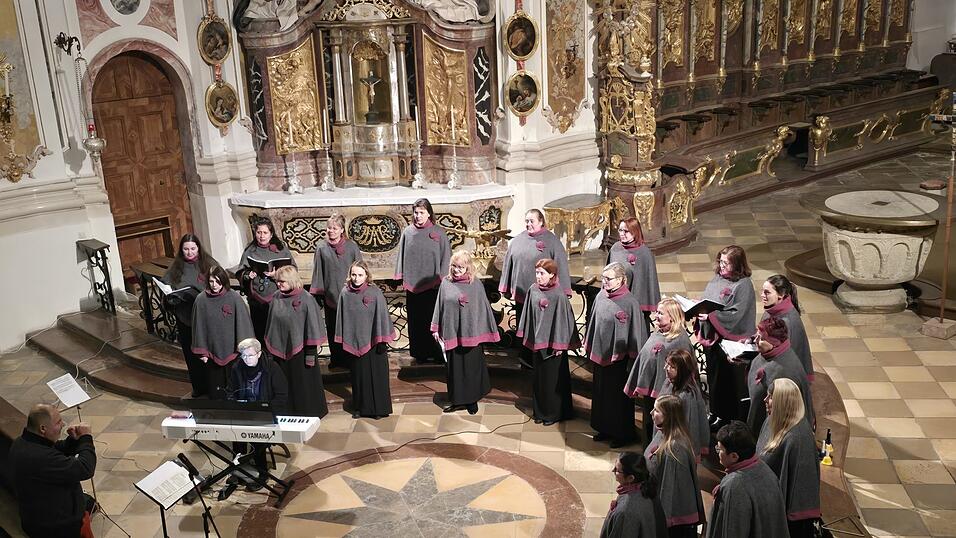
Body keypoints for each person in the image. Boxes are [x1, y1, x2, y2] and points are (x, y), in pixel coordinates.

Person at [9, 404, 96, 538]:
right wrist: (86, 439)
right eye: (58, 422)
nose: (63, 425)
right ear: (43, 428)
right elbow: (85, 468)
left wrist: (73, 440)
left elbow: (54, 449)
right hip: (57, 527)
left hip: (34, 515)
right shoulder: (41, 458)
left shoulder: (22, 442)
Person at [585, 262, 647, 448]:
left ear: (621, 280)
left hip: (621, 359)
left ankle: (622, 433)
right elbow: (593, 321)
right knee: (601, 394)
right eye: (603, 278)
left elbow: (636, 331)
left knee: (618, 398)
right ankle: (603, 428)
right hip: (601, 355)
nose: (604, 282)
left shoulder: (630, 302)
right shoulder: (601, 296)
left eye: (609, 278)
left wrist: (634, 358)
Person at [499, 209, 571, 368]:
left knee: (541, 329)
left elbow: (561, 265)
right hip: (523, 294)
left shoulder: (552, 241)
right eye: (527, 221)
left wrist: (565, 290)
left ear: (541, 221)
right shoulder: (518, 240)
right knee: (524, 327)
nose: (528, 224)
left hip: (545, 297)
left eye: (532, 221)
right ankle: (525, 358)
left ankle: (541, 360)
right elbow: (508, 263)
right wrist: (505, 286)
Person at [431, 249, 500, 414]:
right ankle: (457, 400)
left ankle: (471, 400)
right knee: (454, 369)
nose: (456, 270)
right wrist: (436, 327)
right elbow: (439, 306)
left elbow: (482, 308)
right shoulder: (446, 283)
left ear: (468, 267)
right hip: (452, 331)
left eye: (460, 267)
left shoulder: (475, 284)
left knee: (470, 367)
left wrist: (483, 329)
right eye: (454, 266)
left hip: (471, 333)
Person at [694, 245, 756, 428]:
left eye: (726, 263)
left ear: (737, 265)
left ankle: (726, 417)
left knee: (727, 382)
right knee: (714, 378)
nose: (721, 266)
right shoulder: (718, 279)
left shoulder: (743, 285)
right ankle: (715, 411)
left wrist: (711, 316)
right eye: (720, 261)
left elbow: (737, 314)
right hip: (713, 338)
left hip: (730, 341)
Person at [516, 258, 581, 425]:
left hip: (554, 345)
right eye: (537, 273)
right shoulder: (533, 289)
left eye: (542, 273)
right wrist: (529, 336)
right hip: (538, 342)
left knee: (553, 381)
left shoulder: (558, 294)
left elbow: (563, 321)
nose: (538, 276)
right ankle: (540, 412)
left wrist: (560, 345)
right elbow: (528, 313)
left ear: (552, 274)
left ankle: (553, 414)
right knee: (540, 380)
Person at [757, 378, 821, 538]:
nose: (765, 400)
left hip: (790, 523)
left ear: (782, 402)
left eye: (770, 396)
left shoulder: (797, 439)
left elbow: (798, 489)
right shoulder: (771, 421)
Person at [264, 265, 328, 418]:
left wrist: (310, 354)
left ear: (292, 281)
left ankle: (308, 413)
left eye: (282, 282)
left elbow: (312, 326)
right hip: (281, 350)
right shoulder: (276, 297)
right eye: (277, 281)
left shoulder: (306, 299)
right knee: (283, 384)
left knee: (303, 386)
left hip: (302, 352)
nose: (279, 284)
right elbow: (272, 324)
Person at [625, 298, 692, 442]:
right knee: (648, 426)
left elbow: (683, 370)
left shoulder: (680, 341)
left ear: (672, 317)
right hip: (651, 390)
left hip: (666, 394)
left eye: (660, 313)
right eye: (656, 312)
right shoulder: (659, 333)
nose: (656, 316)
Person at [709, 421, 790, 538]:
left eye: (720, 449)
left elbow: (733, 530)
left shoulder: (734, 486)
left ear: (734, 456)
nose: (718, 453)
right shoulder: (764, 469)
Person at [336, 261, 396, 418]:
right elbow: (342, 317)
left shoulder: (374, 292)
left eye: (360, 275)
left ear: (367, 276)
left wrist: (382, 339)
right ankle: (360, 408)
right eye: (354, 275)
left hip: (374, 342)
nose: (356, 278)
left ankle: (378, 409)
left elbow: (382, 316)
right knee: (358, 378)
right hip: (354, 341)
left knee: (376, 377)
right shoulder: (345, 293)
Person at [394, 198, 451, 364]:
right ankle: (420, 353)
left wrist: (442, 277)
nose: (418, 216)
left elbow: (446, 257)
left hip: (434, 286)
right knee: (416, 321)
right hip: (413, 285)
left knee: (433, 321)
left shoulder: (439, 233)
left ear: (429, 214)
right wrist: (400, 275)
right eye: (416, 212)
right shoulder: (408, 232)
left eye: (421, 213)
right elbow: (401, 255)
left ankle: (437, 352)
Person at [227, 338, 288, 490]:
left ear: (259, 354)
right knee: (236, 432)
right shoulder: (237, 368)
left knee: (257, 434)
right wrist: (235, 403)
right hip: (244, 411)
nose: (246, 359)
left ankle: (262, 471)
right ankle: (239, 467)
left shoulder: (272, 368)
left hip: (266, 412)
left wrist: (266, 410)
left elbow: (282, 396)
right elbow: (230, 392)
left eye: (250, 355)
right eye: (243, 356)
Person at [162, 233, 217, 397]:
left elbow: (221, 285)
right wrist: (171, 299)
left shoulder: (208, 264)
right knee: (192, 355)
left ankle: (214, 386)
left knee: (209, 354)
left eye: (193, 248)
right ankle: (199, 388)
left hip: (207, 319)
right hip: (186, 319)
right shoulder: (175, 268)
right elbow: (167, 290)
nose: (190, 252)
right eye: (186, 249)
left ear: (199, 248)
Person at [644, 396, 706, 537]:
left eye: (657, 410)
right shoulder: (663, 434)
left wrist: (661, 520)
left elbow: (669, 489)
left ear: (668, 416)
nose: (651, 413)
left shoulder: (674, 449)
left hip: (673, 522)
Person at [191, 265, 255, 398]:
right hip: (212, 353)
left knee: (236, 390)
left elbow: (243, 324)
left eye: (218, 281)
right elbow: (199, 328)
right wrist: (202, 352)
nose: (214, 285)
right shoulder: (201, 300)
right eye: (211, 281)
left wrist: (246, 350)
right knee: (217, 392)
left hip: (233, 353)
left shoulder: (234, 298)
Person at [310, 213, 363, 370]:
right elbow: (318, 271)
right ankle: (337, 359)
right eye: (329, 228)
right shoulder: (321, 247)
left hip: (351, 296)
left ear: (341, 230)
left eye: (335, 228)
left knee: (350, 329)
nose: (331, 231)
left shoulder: (352, 247)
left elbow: (360, 268)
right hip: (331, 296)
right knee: (334, 329)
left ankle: (351, 358)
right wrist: (318, 293)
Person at [746, 317, 814, 436]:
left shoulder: (784, 372)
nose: (755, 340)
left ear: (774, 343)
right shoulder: (770, 353)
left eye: (761, 339)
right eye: (757, 336)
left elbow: (780, 415)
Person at [237, 217, 295, 344]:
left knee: (278, 333)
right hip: (257, 300)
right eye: (259, 232)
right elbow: (240, 272)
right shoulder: (250, 250)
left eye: (265, 233)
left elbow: (293, 270)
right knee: (260, 332)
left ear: (271, 233)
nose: (262, 236)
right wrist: (248, 275)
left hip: (279, 299)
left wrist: (276, 274)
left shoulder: (281, 249)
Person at [607, 217, 661, 332]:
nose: (622, 234)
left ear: (635, 232)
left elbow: (647, 283)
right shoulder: (615, 248)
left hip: (636, 307)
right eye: (620, 230)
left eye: (626, 231)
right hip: (616, 301)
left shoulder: (644, 254)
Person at [600, 451, 668, 537]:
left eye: (617, 470)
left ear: (630, 478)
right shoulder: (647, 488)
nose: (613, 470)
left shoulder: (626, 512)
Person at [659, 349, 710, 458]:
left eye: (672, 367)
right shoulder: (669, 382)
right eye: (666, 364)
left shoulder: (686, 395)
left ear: (682, 371)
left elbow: (689, 425)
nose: (666, 369)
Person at [761, 274, 813, 381]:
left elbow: (782, 357)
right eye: (762, 291)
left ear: (781, 295)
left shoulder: (786, 321)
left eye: (767, 292)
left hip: (787, 375)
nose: (762, 295)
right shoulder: (774, 308)